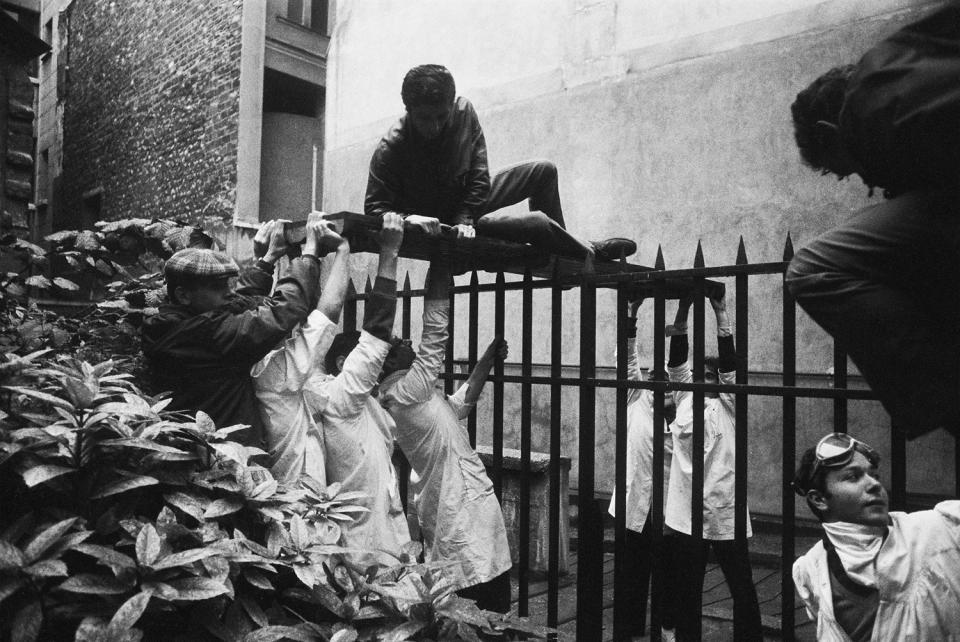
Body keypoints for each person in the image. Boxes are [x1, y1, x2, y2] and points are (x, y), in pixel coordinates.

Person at [785, 3, 960, 439]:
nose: (858, 180)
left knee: (812, 269)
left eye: (838, 169)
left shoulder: (870, 104)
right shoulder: (904, 76)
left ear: (831, 130)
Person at [365, 63, 636, 261]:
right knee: (537, 223)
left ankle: (561, 252)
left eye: (441, 117)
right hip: (442, 223)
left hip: (468, 204)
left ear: (450, 105)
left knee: (544, 170)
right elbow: (374, 209)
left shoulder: (463, 112)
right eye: (425, 118)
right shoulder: (391, 147)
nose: (434, 127)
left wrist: (466, 217)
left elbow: (479, 176)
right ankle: (584, 251)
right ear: (408, 110)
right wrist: (411, 219)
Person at [378, 260, 513, 613]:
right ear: (389, 365)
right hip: (459, 506)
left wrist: (487, 359)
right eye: (396, 345)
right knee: (481, 596)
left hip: (462, 501)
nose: (405, 341)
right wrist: (440, 264)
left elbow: (460, 404)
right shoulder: (405, 391)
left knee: (480, 586)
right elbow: (434, 339)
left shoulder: (414, 396)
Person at [141, 214, 339, 447]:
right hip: (222, 456)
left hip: (203, 449)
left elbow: (234, 305)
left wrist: (267, 260)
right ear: (184, 295)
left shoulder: (177, 324)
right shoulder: (203, 334)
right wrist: (309, 253)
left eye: (228, 284)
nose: (228, 292)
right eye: (217, 287)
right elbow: (282, 312)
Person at [302, 213, 412, 565]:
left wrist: (321, 254)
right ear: (341, 364)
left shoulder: (325, 393)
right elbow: (375, 335)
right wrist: (390, 254)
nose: (381, 363)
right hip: (373, 553)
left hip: (377, 541)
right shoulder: (343, 399)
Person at [792, 432, 960, 640]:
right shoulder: (810, 570)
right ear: (819, 500)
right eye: (853, 477)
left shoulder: (938, 529)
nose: (874, 485)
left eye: (874, 475)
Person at [664, 293, 762, 642]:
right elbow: (677, 362)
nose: (704, 379)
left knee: (742, 586)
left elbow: (730, 364)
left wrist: (721, 313)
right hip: (687, 515)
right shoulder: (684, 398)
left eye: (711, 375)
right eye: (699, 374)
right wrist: (684, 310)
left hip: (725, 509)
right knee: (687, 588)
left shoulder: (730, 404)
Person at [249, 218, 352, 487]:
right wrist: (341, 249)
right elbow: (327, 315)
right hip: (301, 509)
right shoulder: (276, 375)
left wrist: (267, 258)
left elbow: (306, 312)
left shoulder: (263, 364)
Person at [607, 297, 676, 638]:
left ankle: (664, 628)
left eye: (664, 379)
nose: (656, 381)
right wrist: (631, 317)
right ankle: (629, 627)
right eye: (653, 376)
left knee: (665, 574)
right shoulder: (636, 399)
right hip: (634, 504)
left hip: (668, 510)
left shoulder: (683, 417)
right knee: (630, 571)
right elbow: (626, 360)